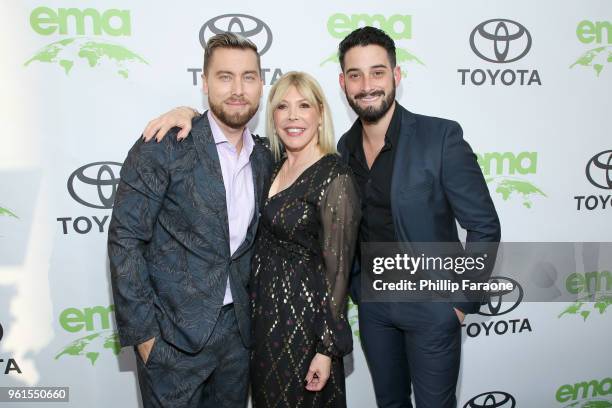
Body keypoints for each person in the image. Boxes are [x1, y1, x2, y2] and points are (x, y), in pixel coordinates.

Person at [143, 25, 500, 408]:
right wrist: (191, 114)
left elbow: (484, 224)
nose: (367, 85)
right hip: (374, 309)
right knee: (390, 403)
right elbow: (230, 134)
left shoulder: (439, 137)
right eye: (355, 75)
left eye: (377, 72)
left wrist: (460, 304)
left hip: (432, 305)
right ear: (343, 84)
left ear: (396, 76)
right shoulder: (340, 150)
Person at [108, 32, 272, 407]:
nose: (237, 89)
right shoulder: (164, 144)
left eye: (248, 77)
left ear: (261, 85)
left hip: (238, 338)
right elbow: (125, 239)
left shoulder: (263, 156)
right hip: (172, 339)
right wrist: (146, 338)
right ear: (204, 82)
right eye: (224, 76)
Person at [249, 71, 360, 407]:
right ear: (273, 116)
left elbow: (338, 273)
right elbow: (223, 129)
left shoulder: (335, 176)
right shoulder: (270, 165)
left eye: (303, 106)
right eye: (282, 106)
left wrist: (326, 350)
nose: (293, 116)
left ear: (320, 113)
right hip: (264, 323)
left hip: (305, 328)